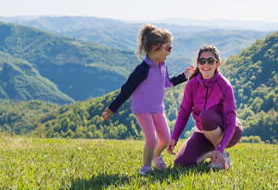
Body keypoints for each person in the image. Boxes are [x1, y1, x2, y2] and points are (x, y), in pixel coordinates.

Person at [102, 23, 195, 175]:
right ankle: (145, 168)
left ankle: (156, 155)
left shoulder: (162, 65)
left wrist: (184, 77)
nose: (170, 52)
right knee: (151, 140)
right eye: (168, 48)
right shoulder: (142, 70)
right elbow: (127, 89)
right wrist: (113, 108)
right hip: (143, 110)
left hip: (158, 110)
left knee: (165, 139)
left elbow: (167, 83)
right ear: (155, 49)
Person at [167, 45, 243, 170]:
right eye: (202, 61)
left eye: (210, 61)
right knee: (181, 163)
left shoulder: (225, 85)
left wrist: (221, 147)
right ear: (198, 64)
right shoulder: (192, 85)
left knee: (206, 116)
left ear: (217, 64)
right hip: (202, 132)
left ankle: (222, 154)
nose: (206, 64)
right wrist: (174, 137)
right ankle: (211, 152)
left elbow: (230, 121)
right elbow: (183, 114)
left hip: (228, 130)